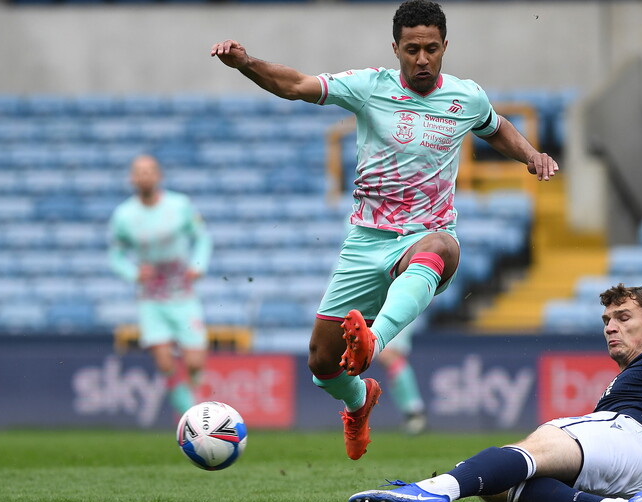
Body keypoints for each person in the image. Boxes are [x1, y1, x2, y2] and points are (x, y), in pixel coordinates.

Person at [211, 0, 558, 460]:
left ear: (445, 46)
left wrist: (530, 154)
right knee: (321, 365)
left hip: (425, 235)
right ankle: (360, 401)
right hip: (366, 240)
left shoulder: (465, 96)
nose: (422, 59)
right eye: (412, 49)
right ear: (395, 47)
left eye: (431, 49)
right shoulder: (368, 86)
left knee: (442, 247)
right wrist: (246, 63)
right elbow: (295, 85)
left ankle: (375, 339)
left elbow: (493, 126)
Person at [348, 284, 642, 502]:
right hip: (638, 473)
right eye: (606, 319)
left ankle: (433, 490)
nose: (610, 326)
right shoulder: (627, 376)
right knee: (498, 488)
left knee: (539, 442)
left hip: (631, 437)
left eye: (623, 317)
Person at [108, 154, 213, 417]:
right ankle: (191, 416)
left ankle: (194, 401)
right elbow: (115, 254)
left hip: (183, 292)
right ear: (132, 178)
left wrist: (198, 265)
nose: (144, 176)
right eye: (139, 172)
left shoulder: (180, 205)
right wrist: (133, 273)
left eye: (149, 171)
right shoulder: (123, 215)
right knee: (165, 361)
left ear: (159, 176)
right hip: (151, 298)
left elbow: (202, 238)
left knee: (194, 361)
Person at [377, 319, 427, 435]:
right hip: (384, 310)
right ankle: (411, 413)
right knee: (387, 357)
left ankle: (415, 412)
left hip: (399, 306)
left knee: (389, 354)